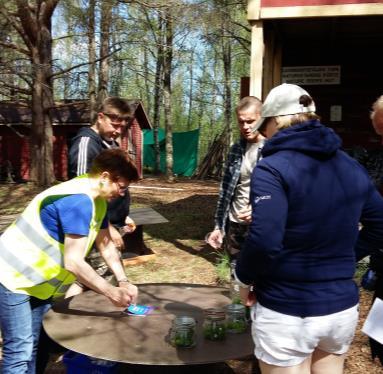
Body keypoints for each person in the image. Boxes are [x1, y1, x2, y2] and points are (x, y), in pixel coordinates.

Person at [234, 83, 383, 374]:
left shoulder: (272, 167)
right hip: (339, 311)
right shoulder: (350, 166)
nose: (264, 134)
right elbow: (380, 224)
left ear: (276, 121)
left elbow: (265, 240)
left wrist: (242, 277)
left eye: (266, 126)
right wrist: (343, 257)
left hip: (287, 309)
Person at [0, 148, 139, 374]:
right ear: (104, 177)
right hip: (11, 278)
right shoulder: (78, 201)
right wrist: (111, 292)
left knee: (38, 345)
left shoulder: (97, 199)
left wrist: (123, 281)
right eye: (121, 186)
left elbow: (105, 244)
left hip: (39, 284)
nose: (122, 193)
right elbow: (74, 262)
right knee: (20, 350)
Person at [67, 97, 136, 296]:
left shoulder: (109, 143)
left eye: (122, 127)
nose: (118, 131)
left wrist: (123, 216)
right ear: (100, 117)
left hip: (108, 222)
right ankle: (62, 319)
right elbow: (81, 191)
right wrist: (108, 226)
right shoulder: (86, 143)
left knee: (90, 280)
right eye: (114, 125)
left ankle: (62, 317)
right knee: (96, 280)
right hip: (96, 226)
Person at [206, 96, 264, 262]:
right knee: (236, 274)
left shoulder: (273, 149)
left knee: (261, 277)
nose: (245, 127)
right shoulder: (236, 149)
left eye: (251, 121)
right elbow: (225, 191)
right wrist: (219, 226)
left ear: (262, 117)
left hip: (260, 224)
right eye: (241, 122)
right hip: (235, 223)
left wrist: (261, 208)